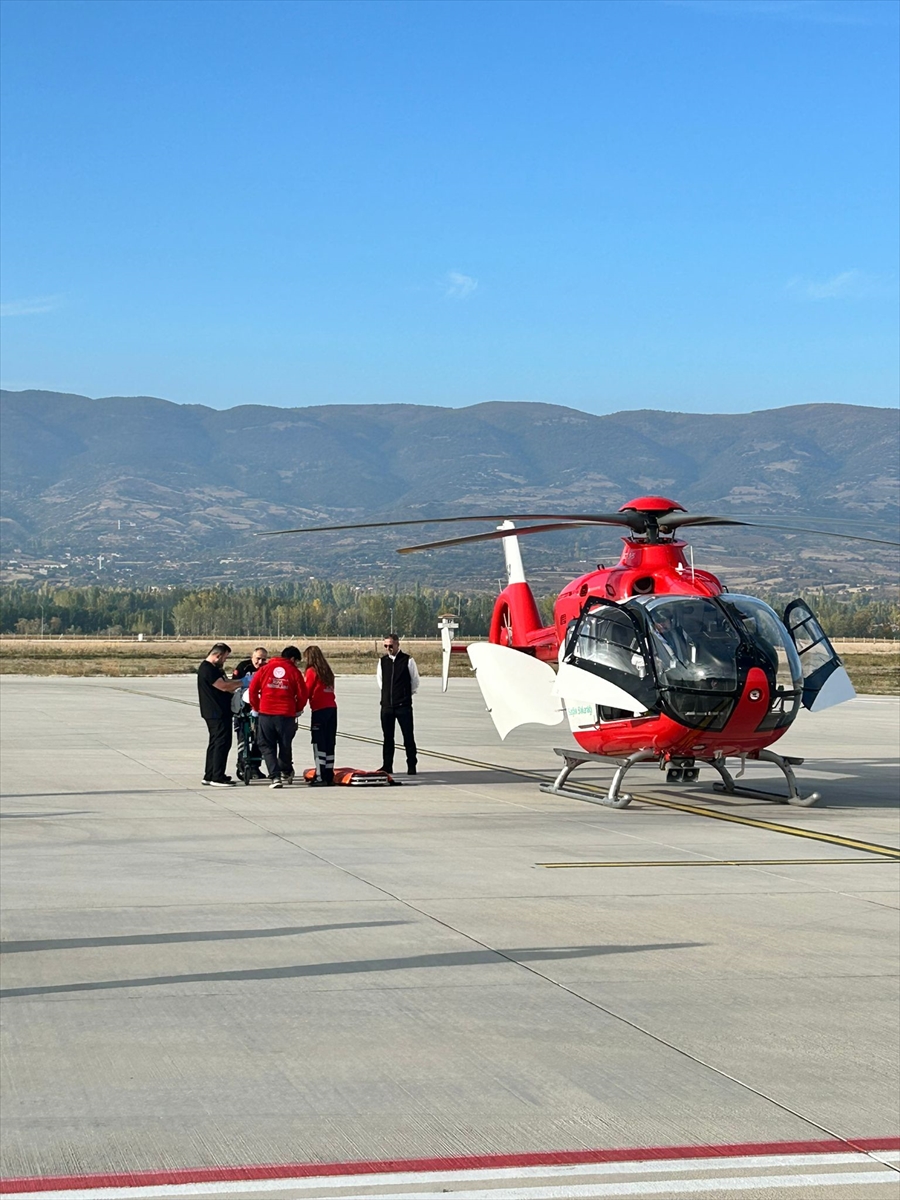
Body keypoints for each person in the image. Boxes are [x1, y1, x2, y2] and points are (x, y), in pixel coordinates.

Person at [249, 645, 308, 788]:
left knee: (266, 745)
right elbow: (302, 694)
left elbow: (252, 690)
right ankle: (286, 771)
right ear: (293, 659)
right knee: (285, 744)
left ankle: (275, 777)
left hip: (266, 713)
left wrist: (256, 707)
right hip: (286, 714)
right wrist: (298, 709)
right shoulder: (294, 672)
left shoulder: (264, 669)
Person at [197, 643, 242, 787]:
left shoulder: (214, 669)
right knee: (222, 743)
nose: (225, 661)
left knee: (215, 743)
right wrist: (243, 682)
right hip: (216, 712)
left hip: (216, 711)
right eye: (225, 658)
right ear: (217, 656)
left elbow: (226, 682)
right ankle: (217, 776)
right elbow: (224, 686)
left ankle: (210, 774)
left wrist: (235, 683)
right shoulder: (208, 669)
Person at [377, 633, 419, 775]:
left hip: (403, 707)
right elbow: (381, 682)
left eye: (390, 645)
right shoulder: (382, 661)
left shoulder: (408, 661)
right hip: (387, 707)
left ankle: (411, 764)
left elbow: (415, 681)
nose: (388, 648)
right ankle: (387, 765)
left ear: (397, 644)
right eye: (385, 646)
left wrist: (405, 695)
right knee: (388, 738)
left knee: (408, 737)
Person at [231, 647, 268, 780]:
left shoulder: (267, 668)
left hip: (260, 707)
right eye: (258, 658)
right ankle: (242, 765)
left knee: (260, 737)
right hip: (244, 708)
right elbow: (234, 684)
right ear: (253, 657)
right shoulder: (243, 667)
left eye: (263, 659)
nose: (260, 662)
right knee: (243, 737)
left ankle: (255, 766)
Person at [303, 645, 337, 786]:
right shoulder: (328, 671)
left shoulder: (312, 671)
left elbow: (307, 690)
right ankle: (329, 773)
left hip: (319, 710)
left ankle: (320, 774)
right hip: (332, 708)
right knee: (330, 742)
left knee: (319, 743)